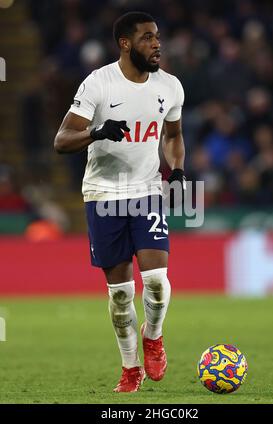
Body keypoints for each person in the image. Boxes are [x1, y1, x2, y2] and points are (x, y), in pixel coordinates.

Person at [54, 11, 185, 393]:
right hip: (104, 195)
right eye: (147, 37)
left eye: (157, 36)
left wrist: (176, 170)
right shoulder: (99, 84)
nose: (157, 43)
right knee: (122, 294)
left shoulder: (171, 87)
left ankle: (154, 337)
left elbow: (174, 135)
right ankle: (130, 368)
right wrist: (96, 132)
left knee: (157, 282)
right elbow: (61, 140)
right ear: (125, 43)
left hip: (146, 192)